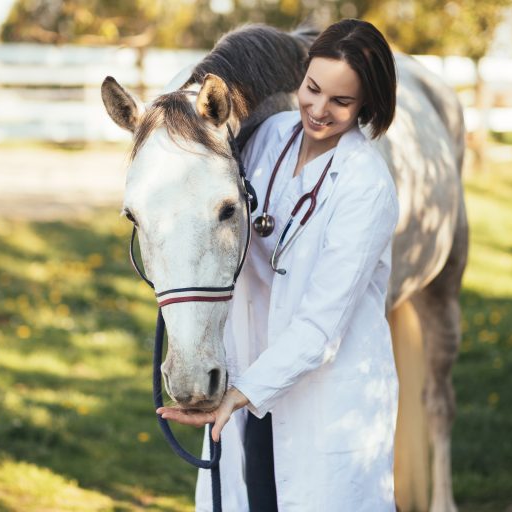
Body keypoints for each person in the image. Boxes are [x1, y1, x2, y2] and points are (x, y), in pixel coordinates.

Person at [158, 19, 400, 511]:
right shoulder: (269, 135)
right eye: (312, 88)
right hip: (252, 381)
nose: (318, 109)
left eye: (341, 101)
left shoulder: (367, 186)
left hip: (322, 400)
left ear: (367, 106)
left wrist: (239, 393)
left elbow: (320, 329)